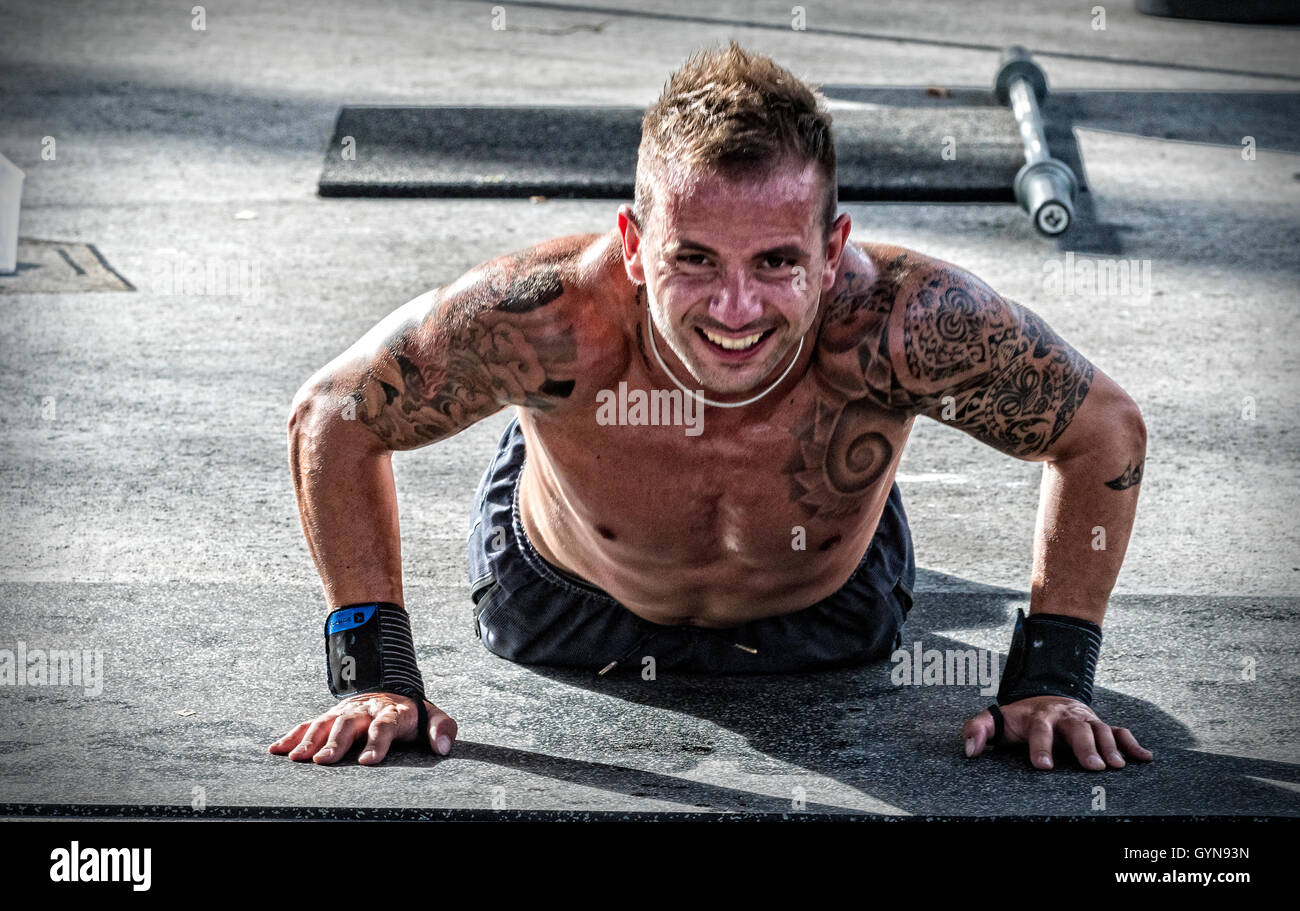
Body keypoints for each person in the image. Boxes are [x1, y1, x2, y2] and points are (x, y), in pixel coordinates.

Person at [272, 42, 1152, 773]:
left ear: (833, 245)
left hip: (827, 613)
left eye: (776, 262)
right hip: (565, 605)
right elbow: (332, 417)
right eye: (693, 259)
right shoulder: (545, 323)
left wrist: (1053, 675)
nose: (736, 310)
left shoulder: (902, 325)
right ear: (632, 245)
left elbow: (1103, 432)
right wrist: (371, 671)